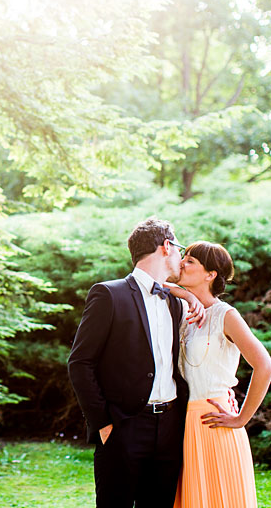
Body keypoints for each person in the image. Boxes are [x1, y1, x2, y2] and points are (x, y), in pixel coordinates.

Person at [67, 217, 203, 508]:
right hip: (123, 427)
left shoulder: (177, 302)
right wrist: (103, 422)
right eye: (178, 248)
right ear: (166, 247)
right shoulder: (108, 294)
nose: (180, 257)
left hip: (170, 427)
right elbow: (80, 362)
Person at [168, 241, 271, 508]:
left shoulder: (226, 315)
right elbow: (152, 282)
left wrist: (241, 419)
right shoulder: (182, 311)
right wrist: (187, 296)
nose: (181, 263)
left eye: (190, 261)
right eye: (184, 257)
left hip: (213, 423)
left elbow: (265, 367)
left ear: (211, 274)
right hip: (179, 424)